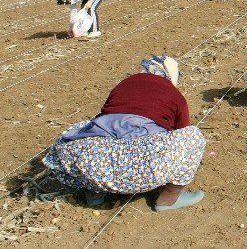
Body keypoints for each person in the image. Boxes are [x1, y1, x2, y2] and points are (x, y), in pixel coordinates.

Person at [43, 55, 206, 211]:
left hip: (93, 165)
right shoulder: (174, 93)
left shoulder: (124, 83)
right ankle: (169, 197)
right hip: (142, 169)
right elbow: (181, 130)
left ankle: (94, 193)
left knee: (85, 129)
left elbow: (107, 112)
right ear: (171, 77)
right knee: (193, 137)